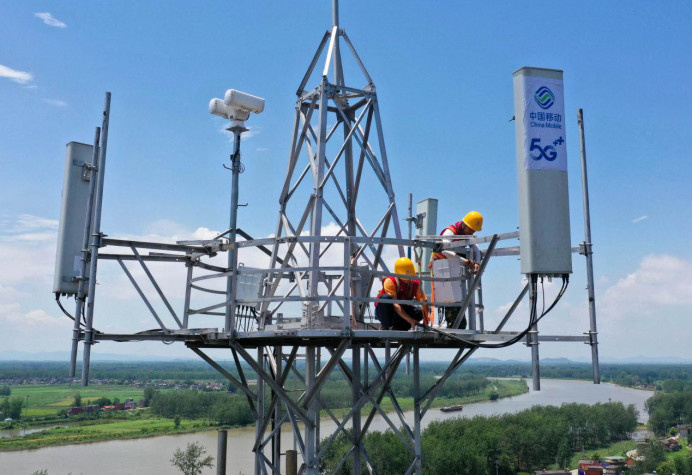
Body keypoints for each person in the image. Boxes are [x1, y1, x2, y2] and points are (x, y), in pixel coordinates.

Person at [430, 211, 483, 328]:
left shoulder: (467, 233)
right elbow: (444, 250)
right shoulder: (450, 232)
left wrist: (477, 263)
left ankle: (457, 324)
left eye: (474, 231)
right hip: (442, 266)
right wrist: (464, 261)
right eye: (471, 229)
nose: (472, 232)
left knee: (457, 297)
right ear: (464, 224)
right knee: (449, 297)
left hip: (454, 266)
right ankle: (453, 324)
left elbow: (476, 248)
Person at [375, 257, 429, 331]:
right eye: (405, 278)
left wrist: (426, 323)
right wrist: (411, 321)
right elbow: (395, 306)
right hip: (386, 312)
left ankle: (398, 328)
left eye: (409, 278)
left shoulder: (415, 283)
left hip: (401, 311)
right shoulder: (390, 281)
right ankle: (386, 326)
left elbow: (424, 303)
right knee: (386, 299)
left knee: (419, 312)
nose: (407, 280)